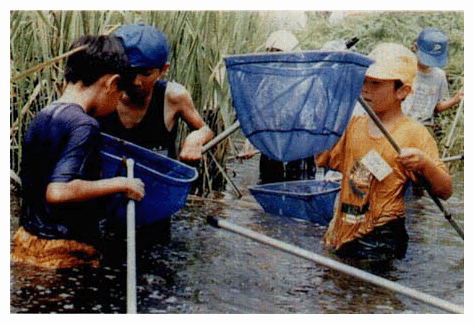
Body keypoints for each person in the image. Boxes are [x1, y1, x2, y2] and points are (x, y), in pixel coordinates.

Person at [11, 35, 145, 268]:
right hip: (63, 250)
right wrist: (122, 184)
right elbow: (58, 191)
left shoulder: (43, 115)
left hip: (26, 241)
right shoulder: (85, 125)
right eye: (120, 95)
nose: (118, 102)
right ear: (111, 83)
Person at [317, 43, 452, 262]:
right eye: (364, 81)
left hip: (381, 234)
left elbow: (445, 190)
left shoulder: (414, 133)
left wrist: (424, 164)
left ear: (402, 91)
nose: (366, 89)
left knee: (370, 294)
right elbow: (325, 157)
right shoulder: (354, 125)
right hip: (345, 226)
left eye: (376, 83)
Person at [98, 24, 214, 162]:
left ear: (164, 69)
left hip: (157, 180)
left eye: (146, 74)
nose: (136, 82)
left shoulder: (173, 96)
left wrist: (197, 138)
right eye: (129, 72)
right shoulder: (101, 92)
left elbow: (206, 131)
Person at [242, 30, 316, 184]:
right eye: (269, 51)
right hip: (271, 150)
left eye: (278, 52)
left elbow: (309, 123)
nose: (273, 57)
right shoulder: (265, 83)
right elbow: (258, 117)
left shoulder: (305, 83)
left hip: (299, 152)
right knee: (269, 188)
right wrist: (251, 141)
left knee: (299, 191)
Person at [402, 27, 463, 127]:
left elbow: (437, 107)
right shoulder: (404, 68)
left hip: (424, 125)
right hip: (400, 122)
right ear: (415, 47)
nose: (428, 63)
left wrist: (455, 100)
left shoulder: (439, 75)